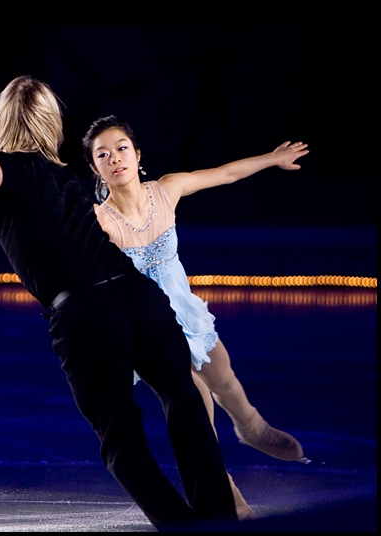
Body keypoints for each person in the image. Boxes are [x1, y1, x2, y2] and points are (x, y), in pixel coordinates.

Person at [0, 75, 238, 531]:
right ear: (52, 122)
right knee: (185, 401)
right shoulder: (72, 180)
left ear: (2, 122)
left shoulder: (14, 172)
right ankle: (218, 523)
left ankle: (183, 526)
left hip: (86, 317)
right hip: (139, 297)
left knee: (120, 441)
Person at [81, 114, 310, 520]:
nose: (115, 158)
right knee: (196, 414)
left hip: (186, 312)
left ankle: (251, 427)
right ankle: (228, 495)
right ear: (95, 167)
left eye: (121, 148)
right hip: (150, 331)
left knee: (224, 379)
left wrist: (272, 159)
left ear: (137, 155)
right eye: (103, 154)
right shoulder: (100, 222)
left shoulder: (166, 191)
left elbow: (225, 173)